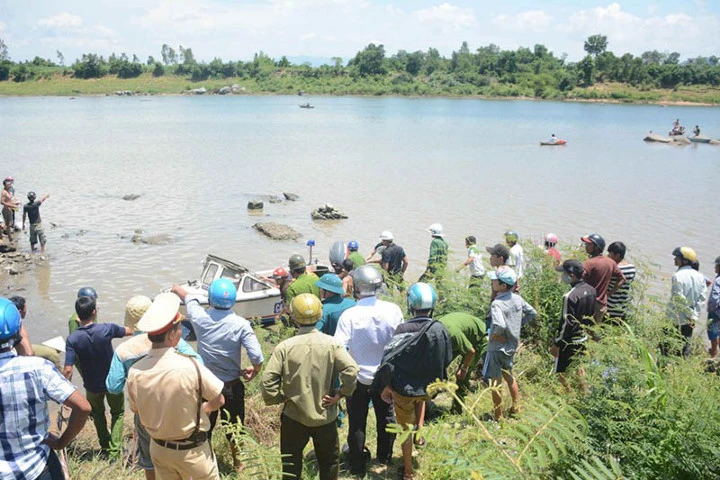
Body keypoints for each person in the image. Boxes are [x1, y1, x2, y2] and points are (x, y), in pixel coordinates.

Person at [127, 293, 225, 480]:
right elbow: (219, 399)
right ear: (171, 335)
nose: (181, 332)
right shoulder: (191, 366)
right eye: (179, 328)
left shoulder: (135, 371)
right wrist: (205, 408)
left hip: (159, 449)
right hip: (193, 451)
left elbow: (137, 410)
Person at [262, 294, 359, 480]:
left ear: (294, 317)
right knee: (329, 463)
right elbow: (351, 370)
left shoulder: (285, 347)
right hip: (325, 415)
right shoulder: (332, 344)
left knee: (290, 465)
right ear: (319, 314)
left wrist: (278, 398)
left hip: (294, 415)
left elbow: (268, 381)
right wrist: (341, 394)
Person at [106, 295, 202, 480]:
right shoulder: (172, 340)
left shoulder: (124, 350)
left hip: (145, 412)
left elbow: (113, 387)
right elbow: (198, 364)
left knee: (149, 460)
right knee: (179, 453)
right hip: (175, 405)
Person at [172, 278, 264, 472]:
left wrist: (176, 289)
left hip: (206, 386)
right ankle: (238, 463)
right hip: (231, 385)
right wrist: (255, 370)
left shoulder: (200, 318)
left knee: (205, 427)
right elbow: (256, 356)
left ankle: (207, 463)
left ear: (211, 299)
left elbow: (189, 298)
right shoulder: (241, 324)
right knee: (235, 427)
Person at [0, 297, 91, 480]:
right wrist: (61, 442)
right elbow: (83, 407)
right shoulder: (37, 368)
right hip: (37, 467)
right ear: (18, 330)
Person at [375, 283, 452, 480]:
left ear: (411, 305)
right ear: (433, 305)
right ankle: (420, 436)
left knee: (404, 430)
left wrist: (388, 387)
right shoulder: (440, 328)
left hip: (404, 390)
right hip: (428, 388)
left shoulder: (403, 329)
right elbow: (447, 358)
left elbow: (389, 360)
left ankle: (408, 471)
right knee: (421, 402)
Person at [334, 265, 403, 475]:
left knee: (357, 422)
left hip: (358, 378)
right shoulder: (393, 310)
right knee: (386, 417)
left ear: (356, 287)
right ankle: (384, 457)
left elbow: (338, 348)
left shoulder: (349, 315)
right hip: (385, 377)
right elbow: (400, 343)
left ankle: (356, 466)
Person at [63, 295, 132, 458]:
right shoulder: (106, 329)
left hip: (92, 387)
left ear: (78, 316)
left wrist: (65, 395)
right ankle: (115, 452)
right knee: (118, 413)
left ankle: (106, 447)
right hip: (112, 383)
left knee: (98, 414)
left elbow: (67, 369)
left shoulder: (72, 339)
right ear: (94, 312)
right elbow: (130, 331)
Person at [484, 266, 537, 420]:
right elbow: (532, 312)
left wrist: (494, 336)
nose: (492, 282)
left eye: (495, 280)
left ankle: (498, 415)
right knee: (509, 376)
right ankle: (516, 407)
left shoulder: (497, 304)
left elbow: (499, 324)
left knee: (495, 382)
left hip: (496, 348)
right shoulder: (517, 298)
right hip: (511, 346)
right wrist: (517, 326)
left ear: (503, 286)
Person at [551, 260, 596, 393]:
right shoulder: (591, 290)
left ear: (571, 275)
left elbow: (566, 322)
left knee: (560, 372)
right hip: (582, 337)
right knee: (579, 366)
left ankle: (569, 395)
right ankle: (584, 393)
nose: (562, 276)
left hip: (568, 341)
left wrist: (557, 343)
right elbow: (590, 316)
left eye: (564, 273)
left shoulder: (569, 296)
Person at [438, 311, 485, 413]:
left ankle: (457, 408)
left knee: (462, 376)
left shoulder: (454, 334)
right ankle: (432, 393)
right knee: (438, 365)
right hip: (459, 336)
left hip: (477, 338)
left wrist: (464, 368)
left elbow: (471, 351)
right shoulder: (435, 331)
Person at [667, 247, 707, 357]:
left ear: (684, 260)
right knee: (684, 349)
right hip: (690, 321)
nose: (675, 259)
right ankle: (680, 370)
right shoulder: (701, 277)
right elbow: (702, 299)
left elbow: (678, 297)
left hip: (675, 317)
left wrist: (689, 315)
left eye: (677, 257)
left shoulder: (677, 276)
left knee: (665, 347)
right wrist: (693, 317)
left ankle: (661, 370)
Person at [581, 234, 625, 324]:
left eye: (589, 245)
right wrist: (608, 294)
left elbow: (578, 278)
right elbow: (622, 279)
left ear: (596, 247)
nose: (586, 246)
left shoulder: (589, 263)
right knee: (594, 332)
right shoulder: (610, 262)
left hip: (589, 303)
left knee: (582, 331)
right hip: (601, 305)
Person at [606, 241, 636, 321]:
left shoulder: (612, 269)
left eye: (610, 254)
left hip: (609, 308)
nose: (608, 256)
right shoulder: (632, 268)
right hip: (622, 308)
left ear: (617, 256)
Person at [22, 191, 50, 255]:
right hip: (38, 224)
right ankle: (42, 253)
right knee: (42, 238)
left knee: (32, 238)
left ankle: (32, 250)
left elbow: (24, 215)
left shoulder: (26, 206)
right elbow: (42, 199)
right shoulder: (36, 204)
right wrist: (46, 195)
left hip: (31, 225)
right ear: (34, 197)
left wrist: (23, 223)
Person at [708, 256, 720, 357]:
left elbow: (715, 298)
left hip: (716, 312)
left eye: (716, 265)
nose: (715, 268)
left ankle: (713, 353)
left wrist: (711, 309)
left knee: (713, 332)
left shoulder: (718, 280)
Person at [1, 177, 19, 242]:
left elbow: (10, 199)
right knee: (6, 224)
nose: (10, 185)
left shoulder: (9, 191)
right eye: (8, 184)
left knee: (9, 224)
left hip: (9, 209)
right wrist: (12, 205)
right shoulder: (4, 192)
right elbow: (2, 202)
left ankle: (10, 238)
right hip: (6, 210)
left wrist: (16, 202)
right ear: (5, 185)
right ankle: (1, 236)